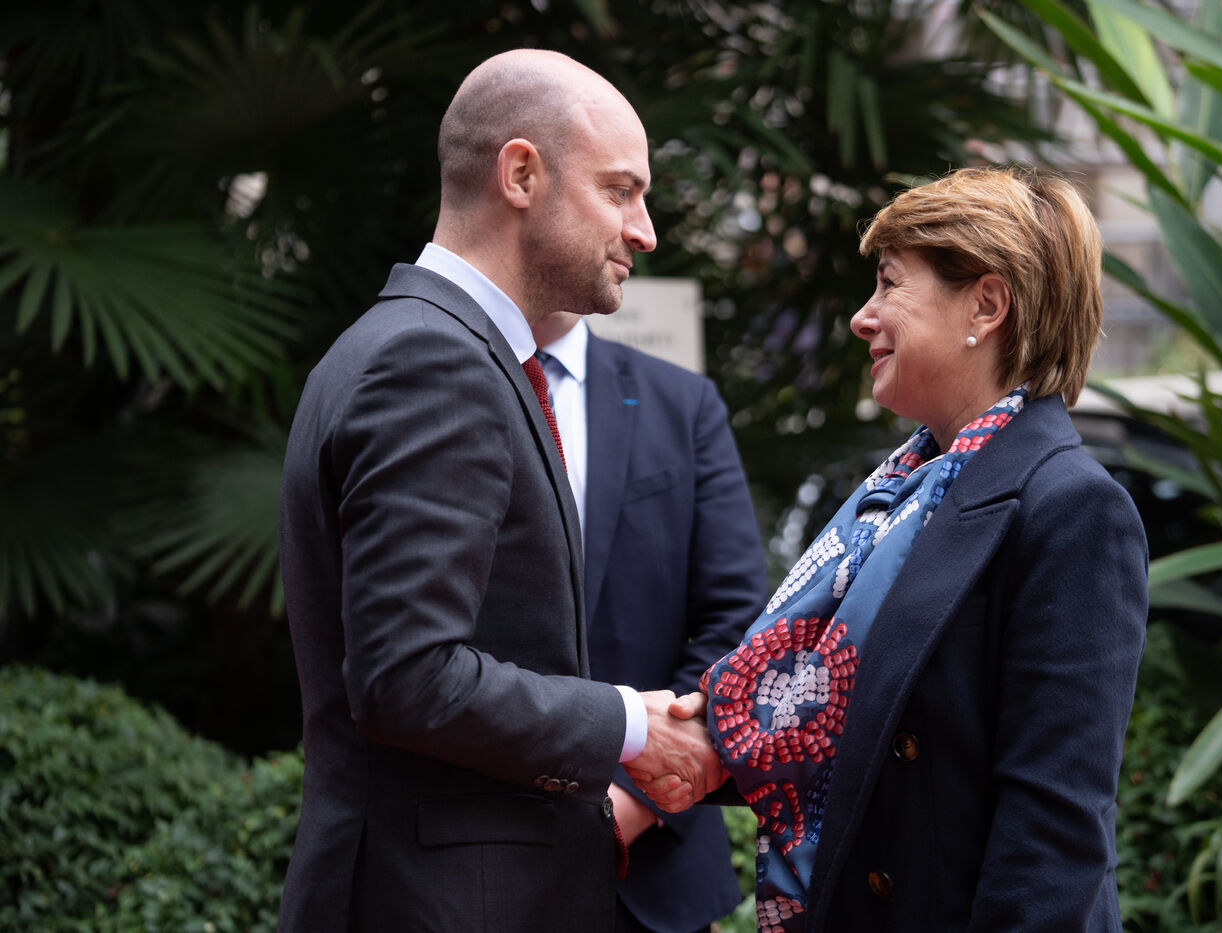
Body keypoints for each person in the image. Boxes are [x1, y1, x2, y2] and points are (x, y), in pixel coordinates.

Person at [277, 50, 722, 933]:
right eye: (620, 190)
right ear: (520, 174)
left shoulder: (424, 344)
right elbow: (407, 675)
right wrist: (628, 722)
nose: (644, 230)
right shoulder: (434, 360)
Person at [650, 166, 1149, 932]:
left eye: (888, 283)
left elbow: (1053, 830)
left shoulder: (1071, 505)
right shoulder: (902, 494)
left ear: (986, 304)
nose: (863, 316)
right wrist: (697, 741)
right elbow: (859, 736)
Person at [530, 310, 768, 933]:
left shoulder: (681, 403)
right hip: (473, 855)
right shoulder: (448, 385)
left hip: (653, 870)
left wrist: (631, 801)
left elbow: (737, 615)